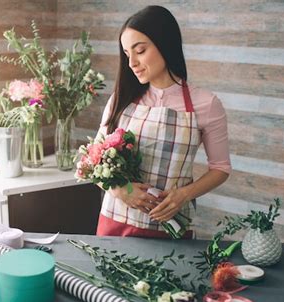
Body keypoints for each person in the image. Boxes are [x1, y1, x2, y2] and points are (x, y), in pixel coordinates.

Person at [96, 5, 231, 238]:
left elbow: (220, 168)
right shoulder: (121, 100)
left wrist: (185, 194)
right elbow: (92, 162)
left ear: (165, 44)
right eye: (128, 54)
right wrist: (120, 190)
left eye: (140, 50)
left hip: (170, 226)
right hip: (115, 223)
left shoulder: (206, 104)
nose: (132, 63)